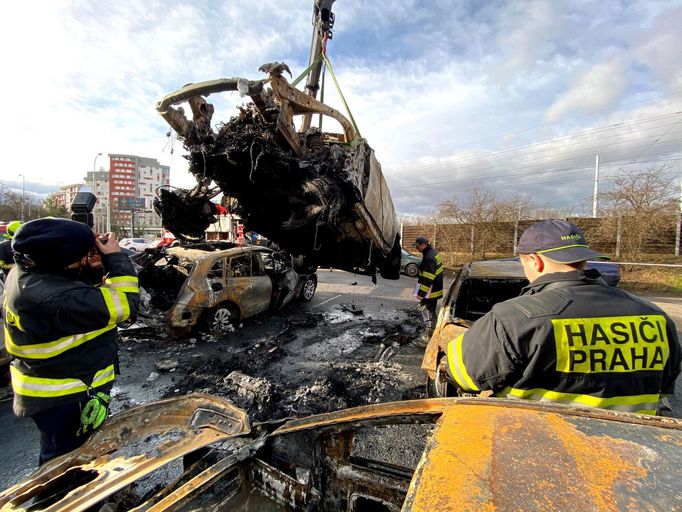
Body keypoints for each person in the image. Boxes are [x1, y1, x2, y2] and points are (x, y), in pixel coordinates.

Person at [444, 219, 680, 415]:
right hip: (630, 457)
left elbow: (463, 375)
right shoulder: (655, 316)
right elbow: (664, 387)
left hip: (536, 452)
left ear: (534, 261)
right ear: (582, 258)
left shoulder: (513, 318)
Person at [3, 218, 140, 464]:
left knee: (67, 452)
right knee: (70, 461)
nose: (89, 257)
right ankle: (67, 498)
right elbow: (126, 306)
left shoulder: (27, 272)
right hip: (69, 394)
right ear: (61, 261)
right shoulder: (55, 299)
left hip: (54, 388)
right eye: (83, 255)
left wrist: (91, 268)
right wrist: (116, 260)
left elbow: (72, 287)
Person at [414, 236, 444, 346]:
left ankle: (428, 339)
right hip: (434, 289)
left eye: (417, 246)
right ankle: (433, 333)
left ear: (423, 245)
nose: (416, 248)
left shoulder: (429, 257)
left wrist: (421, 294)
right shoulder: (433, 253)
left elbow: (427, 278)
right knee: (430, 312)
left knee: (427, 312)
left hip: (430, 291)